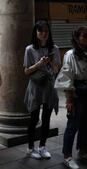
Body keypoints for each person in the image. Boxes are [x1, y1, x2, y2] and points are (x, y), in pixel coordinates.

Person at [55, 26, 87, 169]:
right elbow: (66, 77)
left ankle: (83, 151)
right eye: (84, 36)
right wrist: (69, 99)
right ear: (77, 38)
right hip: (77, 94)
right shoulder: (70, 55)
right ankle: (67, 156)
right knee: (73, 126)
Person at [23, 20, 60, 160]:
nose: (44, 34)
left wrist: (50, 61)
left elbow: (57, 70)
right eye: (41, 31)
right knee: (33, 119)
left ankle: (42, 147)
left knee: (46, 118)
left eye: (46, 31)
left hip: (49, 86)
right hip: (35, 87)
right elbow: (26, 71)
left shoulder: (54, 49)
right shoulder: (29, 49)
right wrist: (38, 64)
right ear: (36, 33)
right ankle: (30, 148)